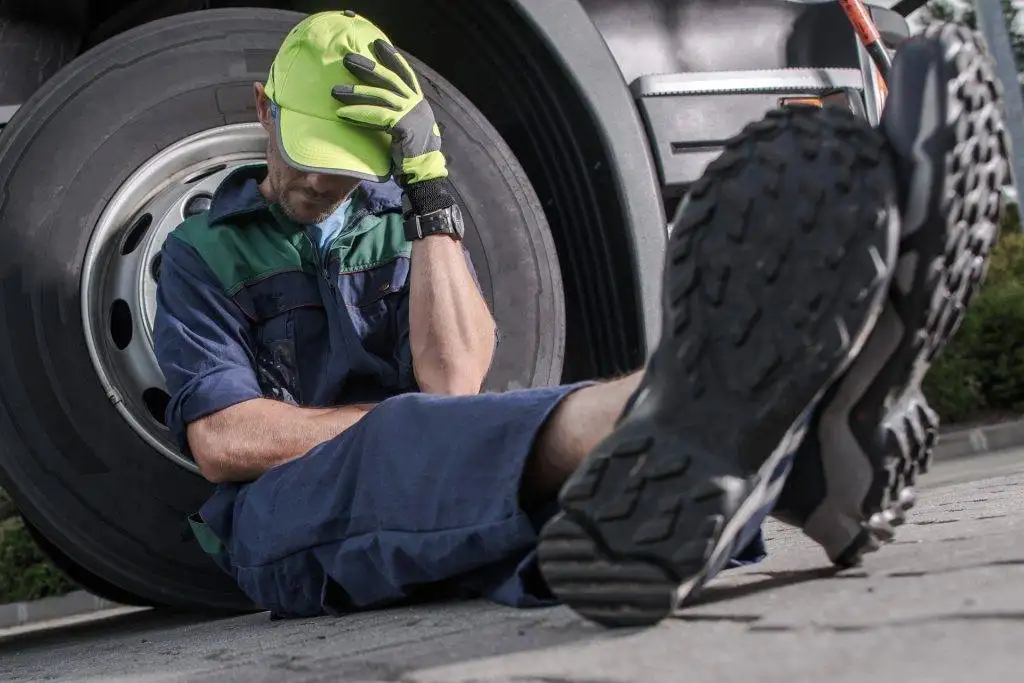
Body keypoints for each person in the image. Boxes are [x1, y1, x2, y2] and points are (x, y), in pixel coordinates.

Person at [153, 12, 1008, 628]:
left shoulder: (401, 216)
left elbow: (455, 381)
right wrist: (401, 424)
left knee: (571, 507)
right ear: (266, 110)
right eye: (308, 159)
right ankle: (744, 400)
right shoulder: (201, 251)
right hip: (278, 525)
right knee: (421, 436)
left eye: (344, 167)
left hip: (441, 489)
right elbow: (225, 441)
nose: (318, 184)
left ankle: (813, 480)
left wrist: (431, 188)